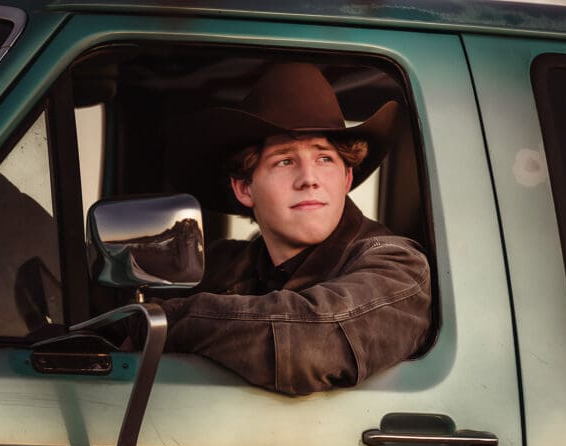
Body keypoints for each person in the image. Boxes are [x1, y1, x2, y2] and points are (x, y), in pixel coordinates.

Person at [160, 62, 431, 396]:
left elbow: (310, 343)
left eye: (325, 159)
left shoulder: (398, 267)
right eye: (285, 161)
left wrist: (164, 323)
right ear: (245, 189)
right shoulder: (220, 265)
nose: (309, 179)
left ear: (346, 179)